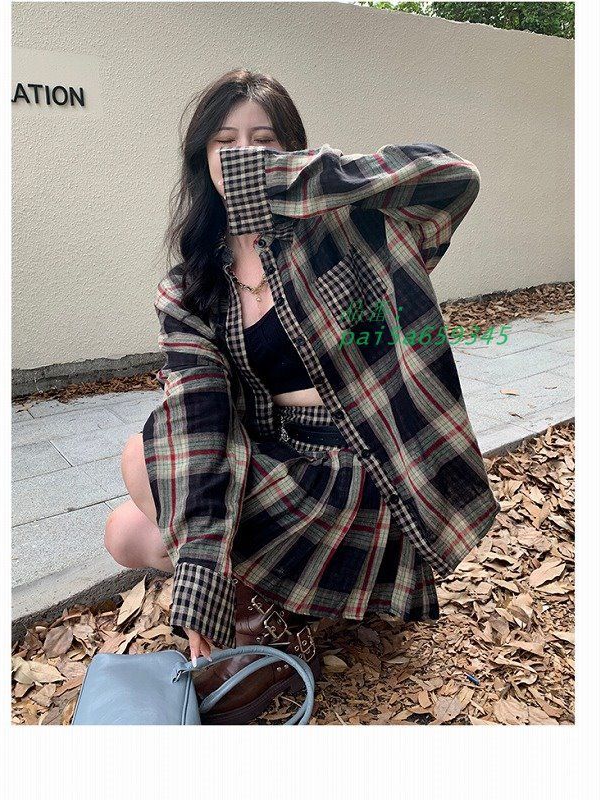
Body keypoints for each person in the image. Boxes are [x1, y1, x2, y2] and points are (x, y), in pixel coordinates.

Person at [104, 68, 501, 724]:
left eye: (264, 141)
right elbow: (200, 417)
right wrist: (203, 574)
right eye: (226, 142)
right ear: (202, 158)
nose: (244, 154)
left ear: (292, 151)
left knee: (136, 466)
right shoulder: (191, 285)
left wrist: (294, 183)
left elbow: (450, 179)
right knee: (124, 532)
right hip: (276, 459)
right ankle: (273, 605)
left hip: (364, 465)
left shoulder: (343, 230)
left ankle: (267, 619)